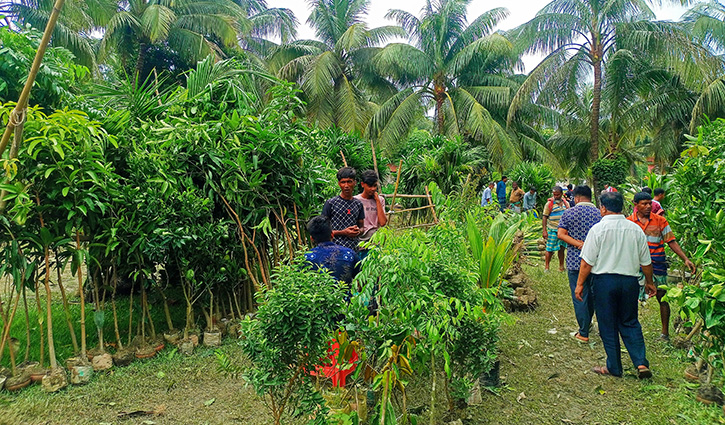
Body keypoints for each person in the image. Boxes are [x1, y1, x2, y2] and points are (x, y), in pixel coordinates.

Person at [575, 191, 654, 379]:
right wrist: (650, 282)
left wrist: (579, 285)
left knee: (607, 323)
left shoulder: (597, 230)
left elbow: (587, 263)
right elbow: (646, 263)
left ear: (603, 208)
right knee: (630, 321)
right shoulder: (635, 230)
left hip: (604, 282)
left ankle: (614, 367)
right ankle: (641, 362)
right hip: (629, 282)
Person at [628, 192, 696, 340]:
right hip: (635, 266)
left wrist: (685, 258)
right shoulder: (629, 222)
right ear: (636, 205)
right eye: (644, 204)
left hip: (657, 264)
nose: (647, 207)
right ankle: (631, 332)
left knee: (662, 298)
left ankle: (664, 333)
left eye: (649, 203)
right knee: (631, 298)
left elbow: (671, 241)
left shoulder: (660, 221)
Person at [557, 186, 601, 343]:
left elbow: (561, 234)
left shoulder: (569, 213)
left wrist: (578, 244)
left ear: (576, 198)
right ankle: (590, 324)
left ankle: (583, 331)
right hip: (596, 261)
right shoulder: (599, 213)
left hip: (575, 260)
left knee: (580, 295)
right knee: (593, 295)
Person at [304, 216, 359, 287]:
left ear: (312, 239)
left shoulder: (306, 258)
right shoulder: (349, 254)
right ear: (332, 235)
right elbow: (362, 281)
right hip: (344, 297)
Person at [322, 167, 365, 250]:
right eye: (343, 182)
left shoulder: (358, 204)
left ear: (355, 183)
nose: (346, 186)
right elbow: (324, 230)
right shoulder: (331, 203)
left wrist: (357, 231)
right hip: (334, 249)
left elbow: (362, 227)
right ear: (339, 184)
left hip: (353, 249)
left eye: (349, 182)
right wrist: (344, 232)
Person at [354, 170, 387, 258]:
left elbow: (383, 222)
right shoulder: (356, 201)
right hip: (360, 243)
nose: (372, 189)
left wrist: (377, 201)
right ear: (362, 184)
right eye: (369, 186)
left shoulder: (380, 200)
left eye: (374, 186)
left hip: (375, 243)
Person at [542, 186, 570, 271]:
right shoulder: (549, 204)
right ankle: (547, 267)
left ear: (561, 194)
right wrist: (544, 231)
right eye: (554, 195)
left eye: (557, 195)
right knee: (549, 249)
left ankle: (561, 267)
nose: (556, 196)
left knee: (561, 248)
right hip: (552, 229)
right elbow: (544, 217)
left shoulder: (566, 204)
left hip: (563, 230)